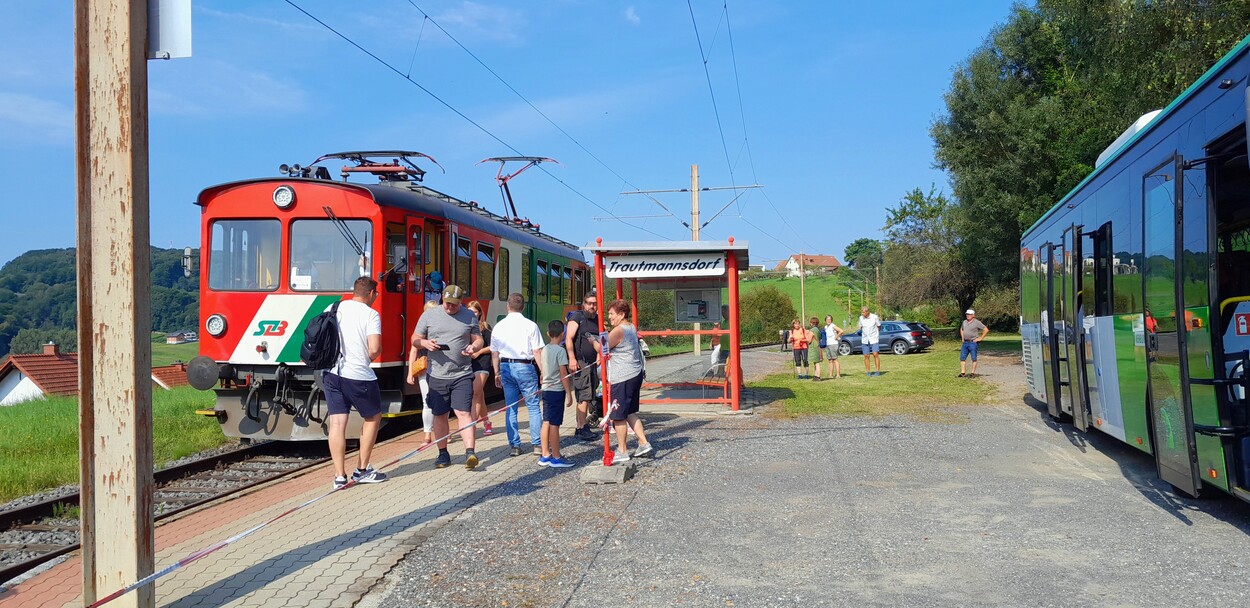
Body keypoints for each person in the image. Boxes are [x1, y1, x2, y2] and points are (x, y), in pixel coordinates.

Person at [324, 276, 387, 490]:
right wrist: (367, 358)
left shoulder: (333, 307)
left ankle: (339, 476)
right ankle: (362, 470)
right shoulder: (371, 314)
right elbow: (375, 348)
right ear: (370, 294)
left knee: (337, 423)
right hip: (358, 374)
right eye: (375, 294)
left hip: (331, 373)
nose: (375, 297)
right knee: (373, 417)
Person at [412, 285, 483, 470]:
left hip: (462, 373)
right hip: (436, 374)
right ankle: (443, 453)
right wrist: (425, 343)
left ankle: (470, 452)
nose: (450, 307)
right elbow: (414, 338)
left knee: (463, 412)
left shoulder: (469, 315)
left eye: (454, 304)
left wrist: (474, 347)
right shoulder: (429, 315)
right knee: (440, 414)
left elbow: (478, 339)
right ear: (442, 297)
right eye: (447, 303)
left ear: (461, 302)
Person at [490, 293, 546, 457]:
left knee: (511, 407)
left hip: (506, 366)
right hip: (525, 366)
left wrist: (496, 372)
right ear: (523, 307)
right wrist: (542, 371)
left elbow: (494, 352)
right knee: (533, 406)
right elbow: (537, 351)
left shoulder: (499, 326)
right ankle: (537, 445)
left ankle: (515, 446)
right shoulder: (530, 325)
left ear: (508, 306)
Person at [604, 299, 652, 463]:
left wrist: (593, 341)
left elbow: (603, 348)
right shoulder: (631, 327)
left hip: (622, 377)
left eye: (611, 314)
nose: (609, 317)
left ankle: (622, 451)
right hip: (634, 374)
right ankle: (644, 443)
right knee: (630, 412)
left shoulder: (618, 330)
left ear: (621, 314)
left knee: (618, 416)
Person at [565, 292, 602, 441]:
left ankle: (581, 426)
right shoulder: (577, 317)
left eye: (594, 303)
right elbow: (569, 338)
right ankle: (581, 428)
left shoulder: (597, 320)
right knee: (584, 396)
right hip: (581, 362)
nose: (592, 306)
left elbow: (600, 340)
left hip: (592, 363)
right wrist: (572, 358)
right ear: (584, 303)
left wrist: (599, 356)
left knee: (588, 395)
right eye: (589, 303)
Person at [538, 319, 575, 468]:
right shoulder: (560, 351)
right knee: (555, 424)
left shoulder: (545, 349)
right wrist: (569, 393)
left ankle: (545, 454)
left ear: (548, 334)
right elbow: (563, 373)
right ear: (563, 334)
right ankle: (556, 457)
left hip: (546, 389)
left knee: (546, 421)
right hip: (556, 390)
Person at [405, 300, 442, 446]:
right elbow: (413, 350)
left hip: (441, 368)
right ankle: (427, 434)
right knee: (426, 402)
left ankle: (441, 432)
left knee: (441, 402)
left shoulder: (442, 327)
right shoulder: (421, 329)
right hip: (425, 368)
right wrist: (410, 373)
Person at [465, 300, 494, 436]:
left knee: (475, 394)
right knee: (479, 395)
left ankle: (472, 426)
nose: (472, 314)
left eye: (475, 312)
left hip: (482, 363)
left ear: (480, 313)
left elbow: (492, 347)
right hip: (469, 364)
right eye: (470, 311)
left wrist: (479, 352)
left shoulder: (485, 327)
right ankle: (487, 422)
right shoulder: (464, 327)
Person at [959, 309, 990, 378]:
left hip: (973, 343)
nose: (968, 316)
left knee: (973, 358)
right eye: (967, 314)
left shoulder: (977, 322)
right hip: (965, 343)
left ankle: (972, 373)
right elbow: (961, 329)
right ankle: (963, 372)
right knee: (962, 358)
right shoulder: (964, 322)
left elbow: (986, 329)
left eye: (969, 314)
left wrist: (980, 338)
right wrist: (962, 338)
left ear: (973, 315)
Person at [859, 306, 882, 377]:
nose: (862, 314)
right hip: (865, 339)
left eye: (863, 312)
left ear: (867, 312)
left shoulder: (874, 317)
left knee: (875, 354)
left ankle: (877, 371)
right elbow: (861, 327)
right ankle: (868, 371)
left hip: (874, 339)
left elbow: (879, 326)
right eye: (862, 312)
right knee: (866, 356)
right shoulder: (861, 318)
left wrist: (876, 334)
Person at [823, 314, 843, 379]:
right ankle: (830, 375)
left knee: (835, 359)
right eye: (827, 319)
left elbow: (841, 331)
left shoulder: (833, 326)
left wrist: (836, 337)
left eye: (830, 319)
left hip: (833, 344)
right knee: (830, 360)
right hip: (828, 344)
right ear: (825, 320)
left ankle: (838, 375)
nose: (828, 320)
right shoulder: (825, 327)